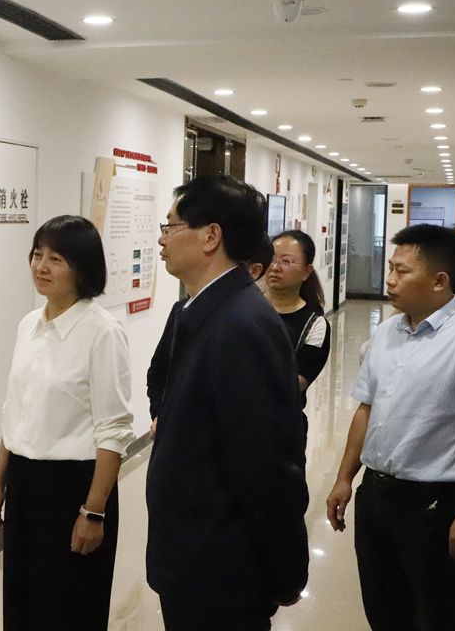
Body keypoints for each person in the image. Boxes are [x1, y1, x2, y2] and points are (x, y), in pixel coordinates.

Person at [146, 175, 308, 630]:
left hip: (219, 569)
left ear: (210, 236)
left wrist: (284, 572)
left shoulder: (240, 325)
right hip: (193, 558)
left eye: (171, 226)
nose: (161, 239)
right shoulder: (203, 311)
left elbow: (266, 465)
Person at [326, 223, 455, 631]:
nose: (390, 280)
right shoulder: (388, 331)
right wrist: (345, 478)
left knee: (437, 615)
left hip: (434, 504)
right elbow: (366, 408)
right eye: (390, 268)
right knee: (383, 610)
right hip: (377, 494)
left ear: (440, 281)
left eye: (401, 271)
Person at [0, 215, 134, 631]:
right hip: (25, 483)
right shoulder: (29, 324)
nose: (41, 266)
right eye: (37, 254)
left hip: (75, 489)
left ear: (82, 269)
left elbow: (114, 431)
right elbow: (15, 412)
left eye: (56, 259)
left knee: (69, 608)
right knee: (23, 605)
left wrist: (93, 512)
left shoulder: (102, 332)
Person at [148, 234, 273, 432]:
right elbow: (159, 371)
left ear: (254, 271)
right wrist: (160, 414)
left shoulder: (248, 321)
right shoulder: (182, 310)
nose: (162, 240)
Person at [264, 230, 331, 395]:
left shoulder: (315, 325)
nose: (275, 267)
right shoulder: (246, 307)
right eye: (271, 259)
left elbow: (298, 382)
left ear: (307, 271)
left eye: (286, 261)